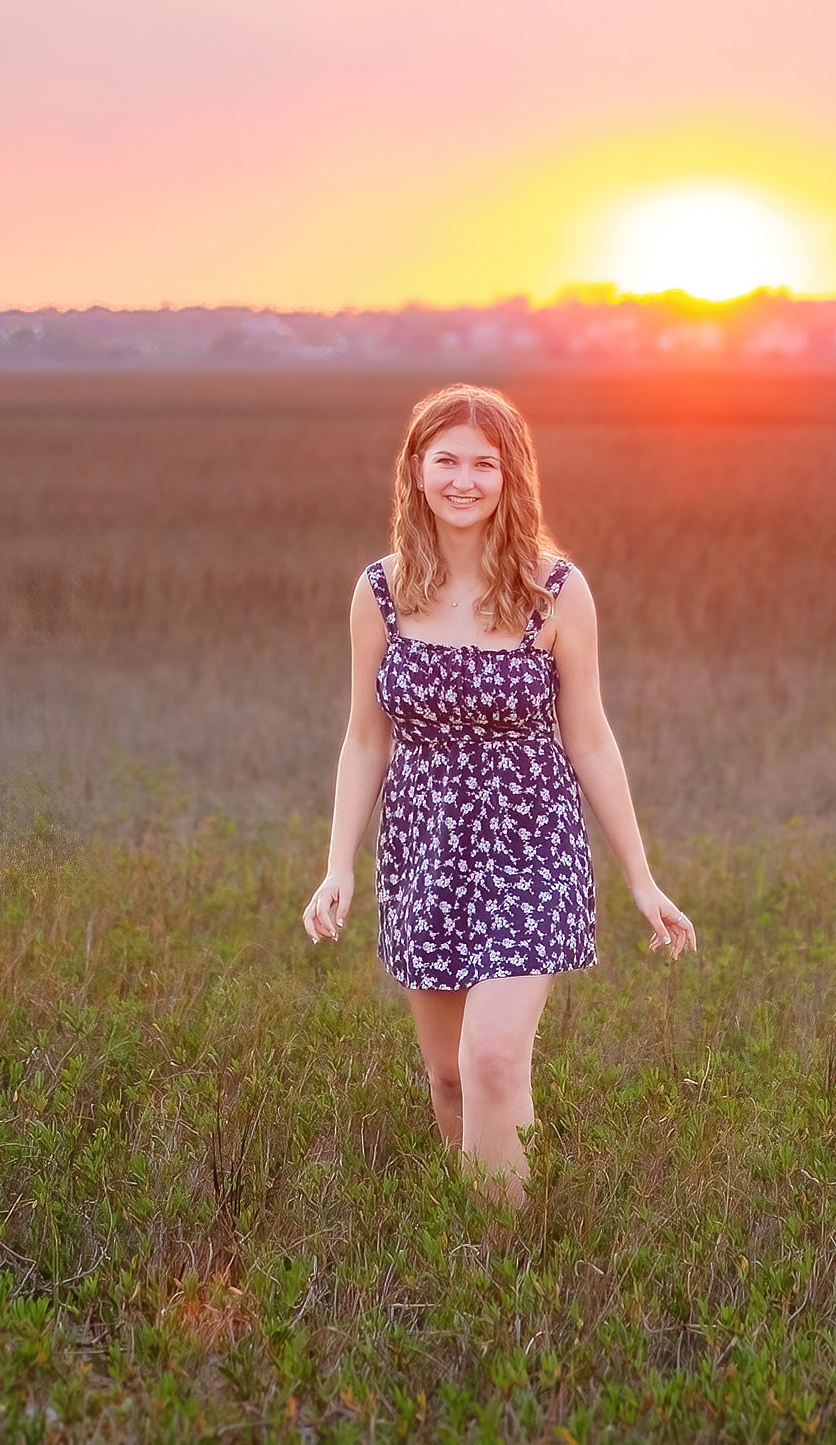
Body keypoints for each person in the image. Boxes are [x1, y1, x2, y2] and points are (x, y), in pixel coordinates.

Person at [301, 383, 695, 1209]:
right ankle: (479, 1237)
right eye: (446, 460)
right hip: (425, 852)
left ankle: (510, 1266)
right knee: (448, 1079)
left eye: (486, 463)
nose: (465, 480)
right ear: (415, 470)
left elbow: (588, 734)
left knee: (492, 1058)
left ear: (513, 476)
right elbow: (365, 736)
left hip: (532, 846)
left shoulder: (556, 590)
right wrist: (338, 864)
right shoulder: (380, 591)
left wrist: (642, 879)